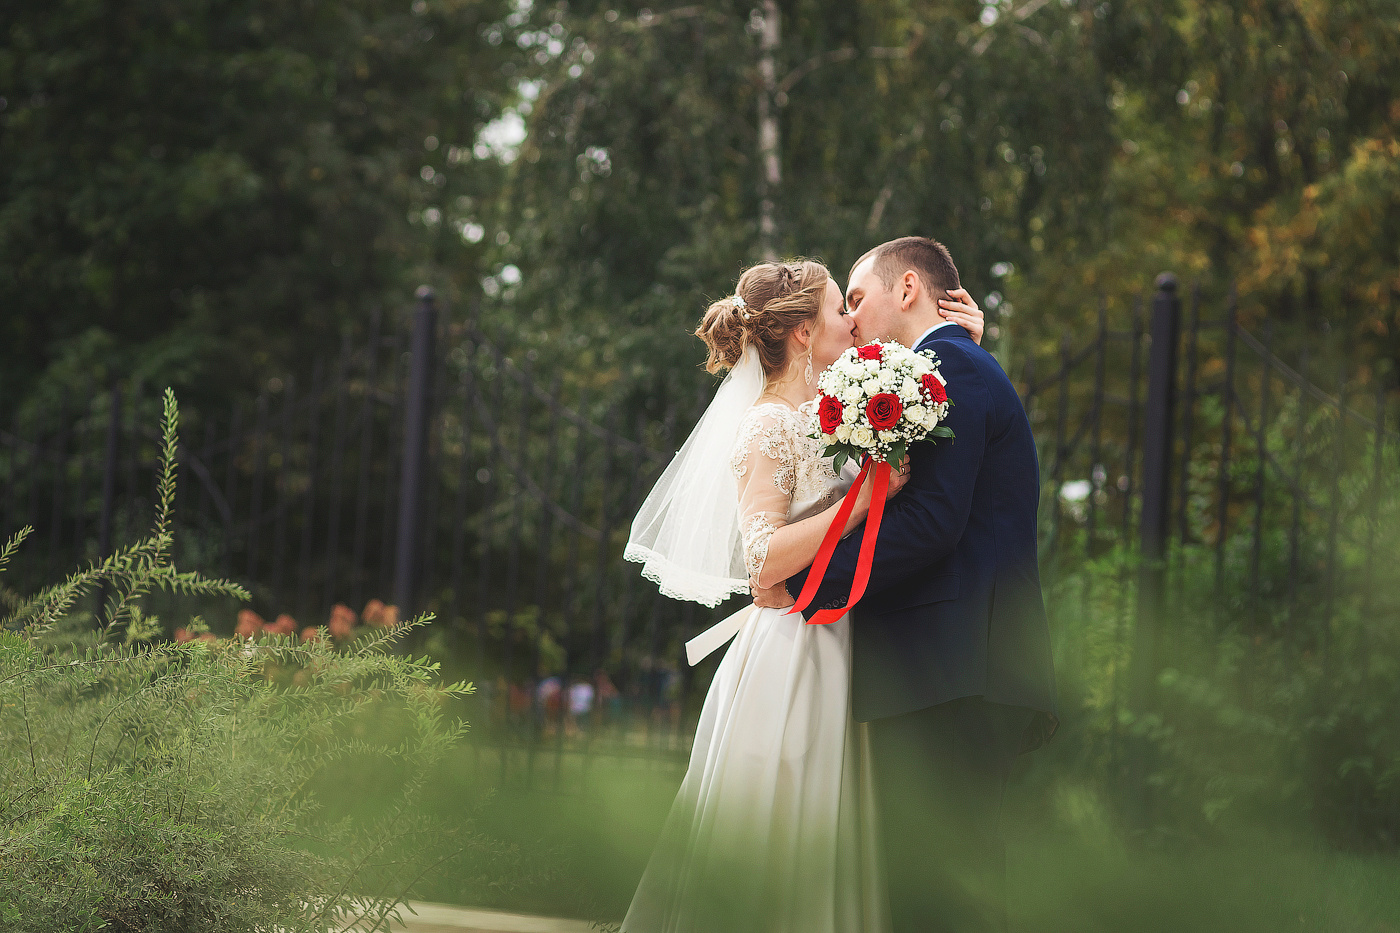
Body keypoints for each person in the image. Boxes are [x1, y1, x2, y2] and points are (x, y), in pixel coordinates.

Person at [621, 258, 984, 932]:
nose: (851, 320)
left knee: (833, 835)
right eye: (837, 311)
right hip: (791, 651)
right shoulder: (767, 425)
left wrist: (966, 343)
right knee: (777, 838)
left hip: (841, 640)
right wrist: (858, 504)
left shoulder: (828, 412)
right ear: (800, 334)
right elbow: (763, 563)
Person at [763, 237, 1058, 933]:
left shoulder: (948, 366)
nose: (852, 318)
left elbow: (930, 523)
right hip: (954, 668)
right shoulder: (956, 363)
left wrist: (798, 579)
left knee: (943, 890)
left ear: (907, 291)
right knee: (945, 884)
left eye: (857, 298)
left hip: (949, 670)